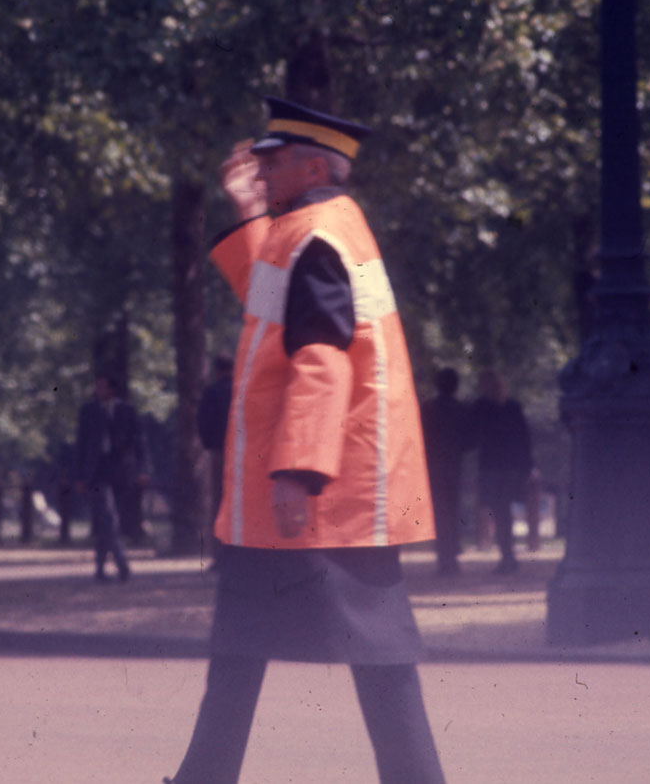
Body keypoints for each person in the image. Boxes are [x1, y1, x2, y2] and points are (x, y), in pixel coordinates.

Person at [167, 97, 445, 784]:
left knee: (373, 661)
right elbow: (271, 301)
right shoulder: (314, 231)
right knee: (249, 653)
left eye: (276, 157)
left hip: (319, 500)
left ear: (317, 163)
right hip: (312, 500)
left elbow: (322, 358)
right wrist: (245, 214)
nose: (263, 166)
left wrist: (299, 470)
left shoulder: (317, 237)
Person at [75, 373, 142, 581]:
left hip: (120, 472)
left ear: (112, 389)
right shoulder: (88, 412)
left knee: (108, 521)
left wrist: (143, 469)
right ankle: (123, 565)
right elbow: (80, 445)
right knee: (109, 517)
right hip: (96, 473)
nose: (98, 391)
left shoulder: (127, 411)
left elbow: (139, 442)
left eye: (102, 387)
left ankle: (100, 569)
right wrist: (79, 476)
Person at [470, 369, 533, 575]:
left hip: (493, 466)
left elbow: (473, 437)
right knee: (503, 512)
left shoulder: (481, 407)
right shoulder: (512, 407)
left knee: (499, 512)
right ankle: (508, 555)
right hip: (508, 467)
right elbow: (524, 439)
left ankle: (507, 555)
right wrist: (526, 466)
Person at [421, 367, 471, 575]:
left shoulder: (428, 408)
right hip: (455, 464)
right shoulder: (461, 409)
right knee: (453, 509)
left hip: (433, 464)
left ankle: (445, 557)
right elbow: (470, 439)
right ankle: (452, 555)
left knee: (440, 512)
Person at [196, 354, 234, 563]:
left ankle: (219, 556)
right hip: (242, 454)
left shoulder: (212, 392)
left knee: (218, 504)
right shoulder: (242, 389)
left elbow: (202, 422)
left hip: (219, 452)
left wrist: (210, 445)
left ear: (217, 370)